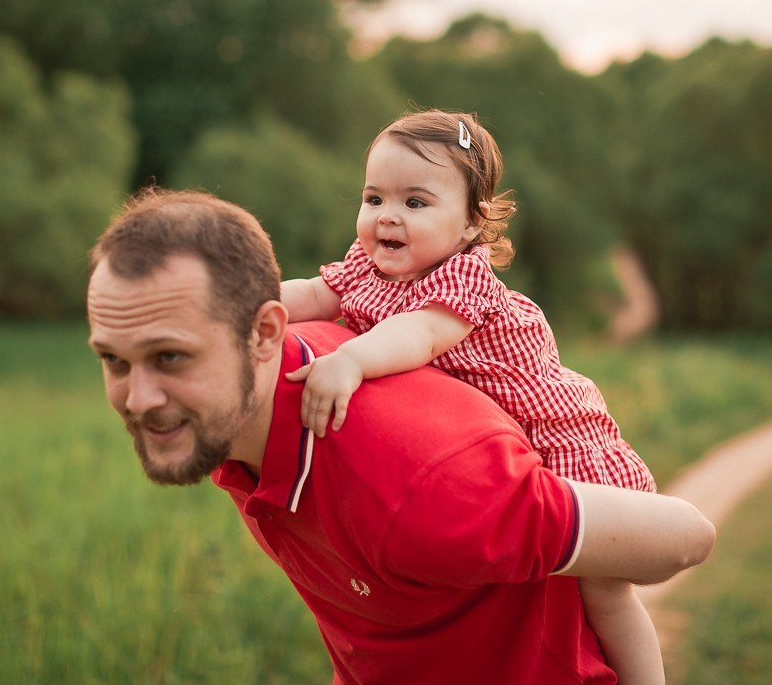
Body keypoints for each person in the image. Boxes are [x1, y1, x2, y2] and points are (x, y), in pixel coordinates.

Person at [87, 187, 715, 684]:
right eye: (114, 360)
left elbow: (686, 534)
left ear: (263, 334)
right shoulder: (228, 425)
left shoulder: (425, 485)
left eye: (170, 357)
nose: (138, 400)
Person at [281, 109, 664, 682]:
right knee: (528, 601)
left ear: (469, 225)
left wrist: (352, 361)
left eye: (415, 203)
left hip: (561, 444)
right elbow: (313, 293)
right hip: (494, 454)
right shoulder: (367, 265)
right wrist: (244, 305)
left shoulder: (463, 278)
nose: (387, 217)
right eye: (374, 198)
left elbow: (421, 333)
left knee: (602, 593)